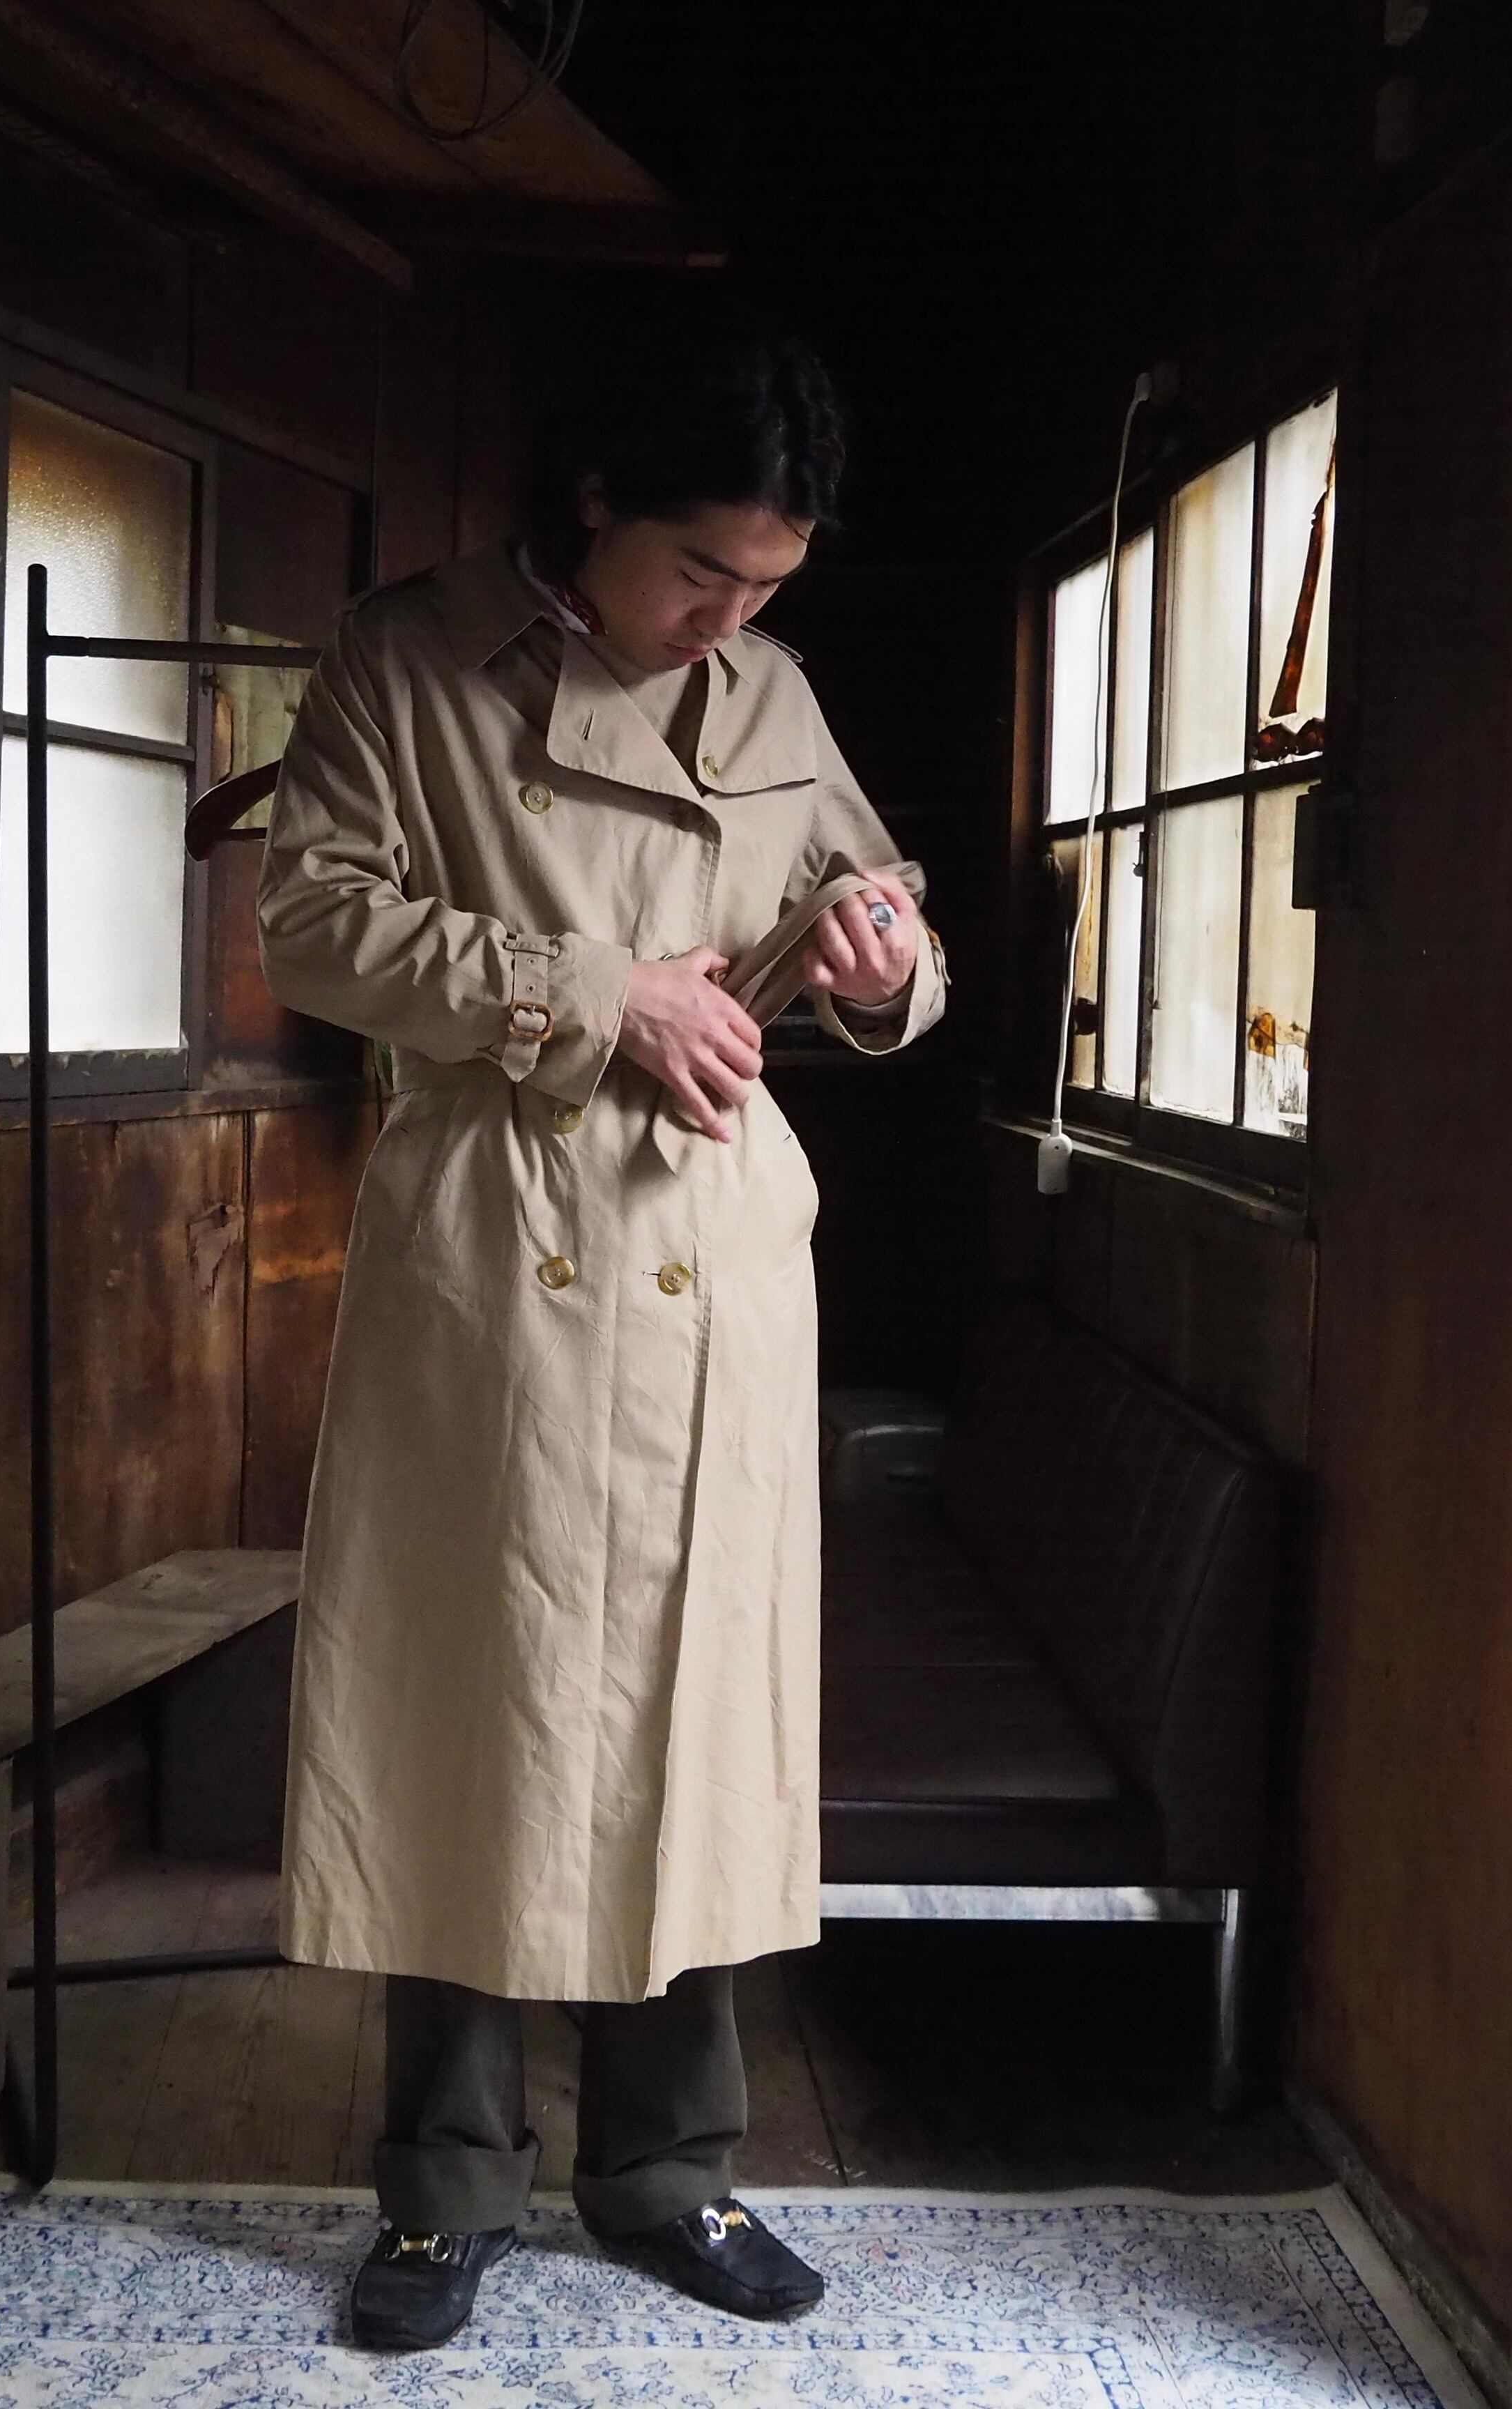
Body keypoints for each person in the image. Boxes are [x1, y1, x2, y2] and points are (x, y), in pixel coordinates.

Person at [257, 329, 947, 2350]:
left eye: (766, 585)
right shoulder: (406, 659)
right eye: (699, 570)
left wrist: (881, 962)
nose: (727, 618)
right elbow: (312, 923)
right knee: (471, 1708)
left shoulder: (773, 692)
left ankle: (670, 2173)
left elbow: (873, 905)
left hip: (711, 1243)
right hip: (502, 1239)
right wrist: (592, 993)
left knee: (697, 1717)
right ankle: (444, 2189)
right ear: (592, 506)